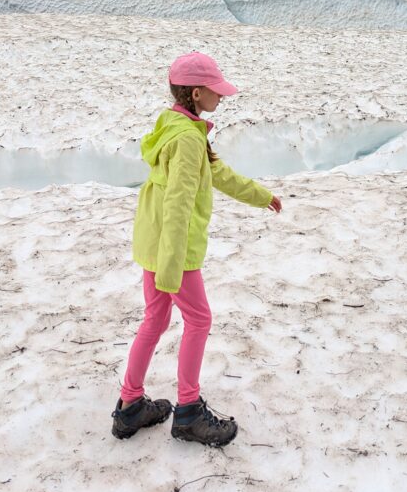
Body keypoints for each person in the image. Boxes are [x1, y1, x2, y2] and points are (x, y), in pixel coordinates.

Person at [111, 51, 282, 447]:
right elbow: (178, 205)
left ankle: (130, 405)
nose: (221, 97)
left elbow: (217, 172)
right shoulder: (188, 139)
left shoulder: (177, 126)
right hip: (174, 249)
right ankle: (187, 412)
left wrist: (261, 196)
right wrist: (172, 267)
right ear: (195, 92)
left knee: (155, 319)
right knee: (199, 319)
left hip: (154, 243)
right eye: (216, 91)